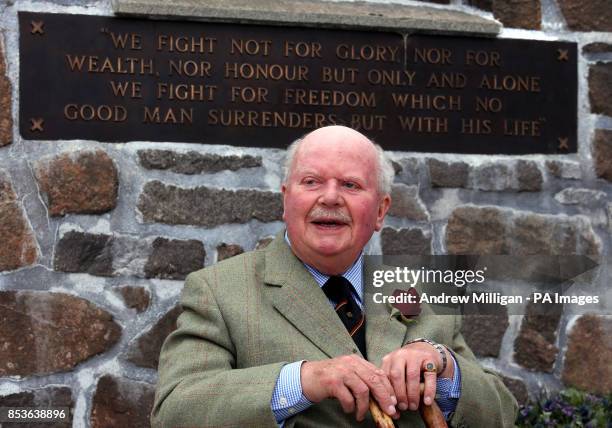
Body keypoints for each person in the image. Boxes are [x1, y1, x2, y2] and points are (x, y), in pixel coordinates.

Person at [152, 125, 518, 427]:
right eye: (311, 182)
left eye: (350, 185)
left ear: (380, 211)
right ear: (285, 200)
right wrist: (306, 381)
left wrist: (443, 367)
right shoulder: (218, 290)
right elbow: (175, 411)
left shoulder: (420, 289)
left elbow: (501, 413)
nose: (330, 197)